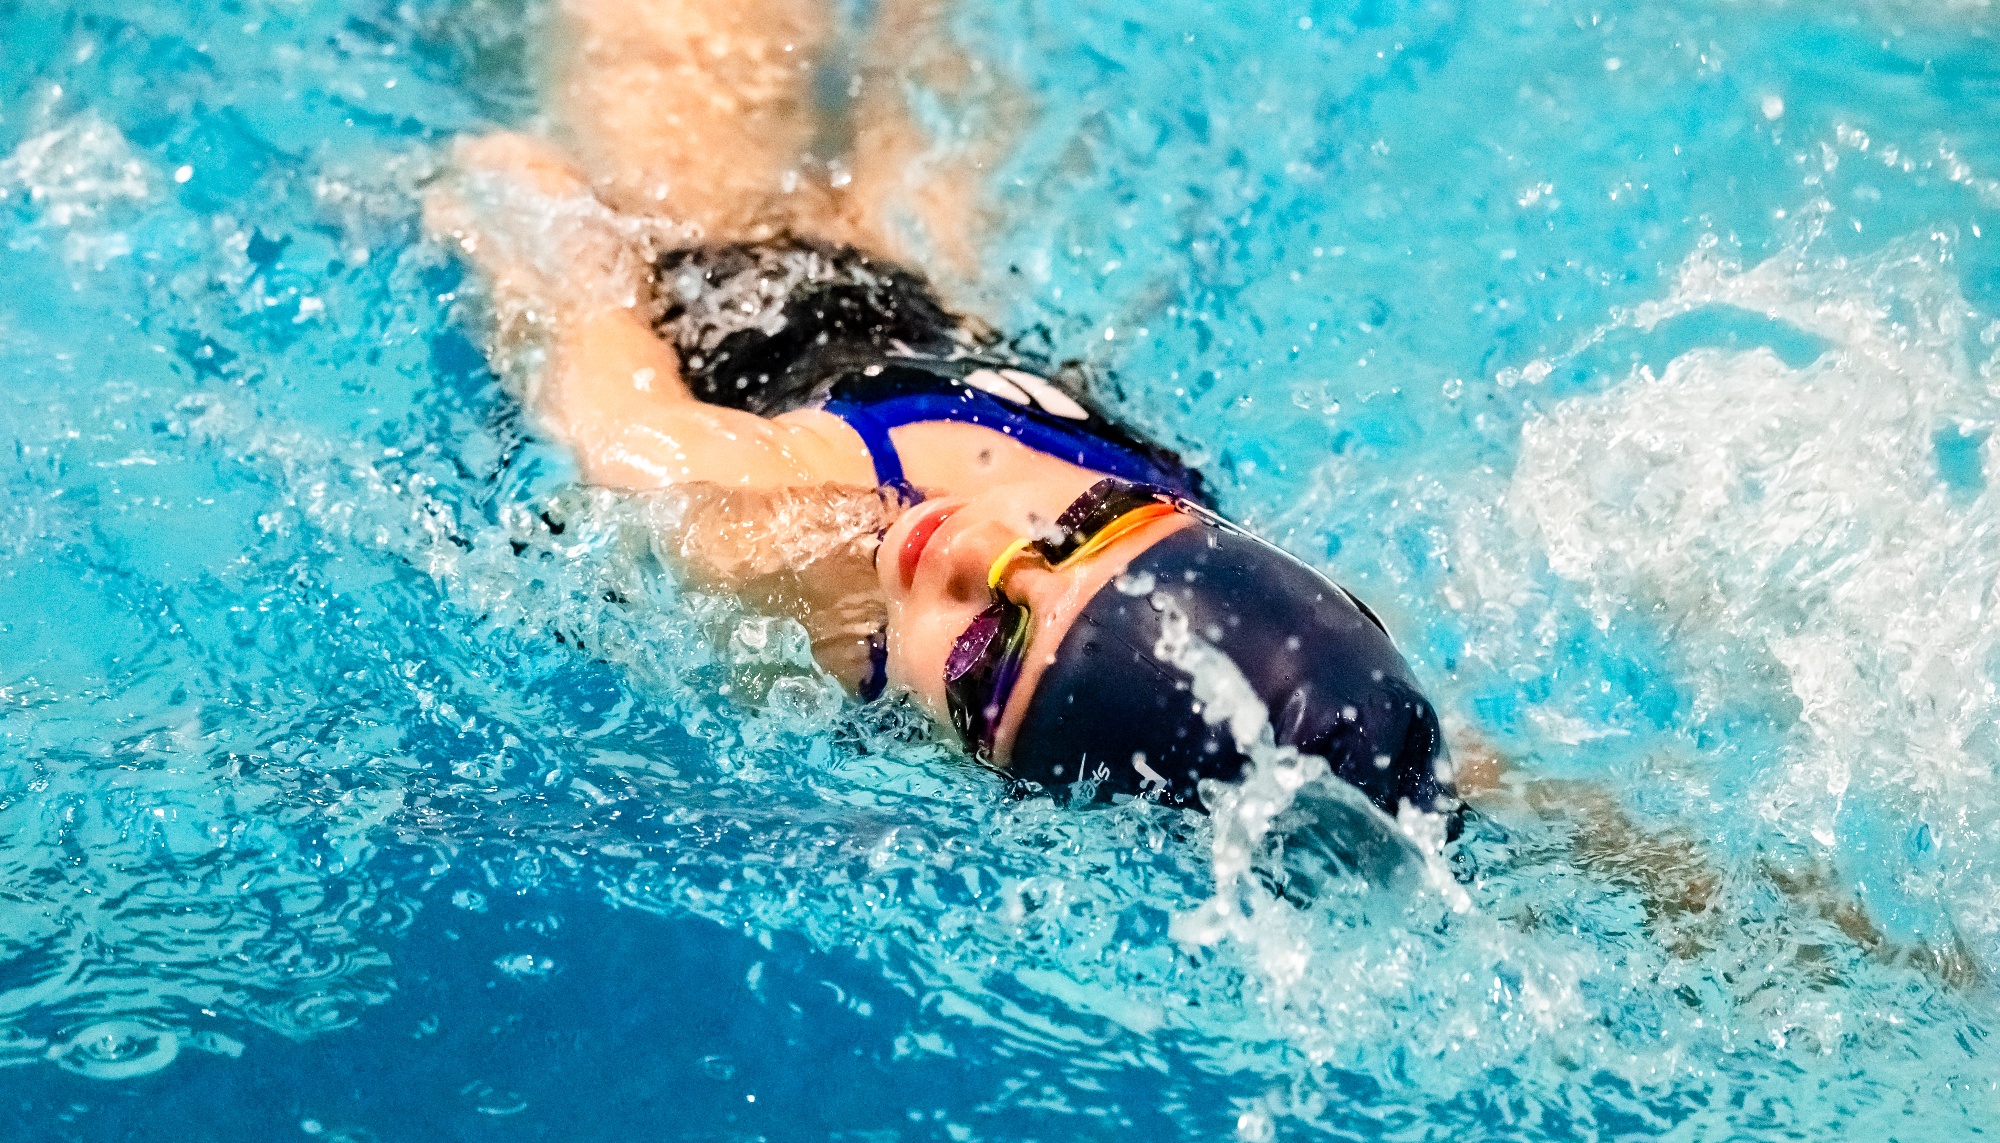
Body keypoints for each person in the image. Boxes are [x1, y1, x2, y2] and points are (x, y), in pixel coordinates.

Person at [424, 0, 1456, 825]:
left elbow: (566, 293)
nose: (971, 545)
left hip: (706, 271)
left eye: (981, 654)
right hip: (945, 295)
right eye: (1085, 522)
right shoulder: (1286, 654)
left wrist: (491, 208)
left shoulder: (763, 547)